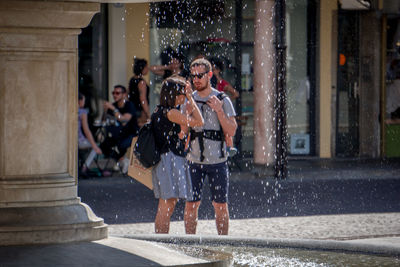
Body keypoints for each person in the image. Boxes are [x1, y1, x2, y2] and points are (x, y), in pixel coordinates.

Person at [184, 58, 237, 235]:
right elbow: (183, 131)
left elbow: (231, 129)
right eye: (193, 76)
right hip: (193, 161)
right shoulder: (189, 100)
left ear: (209, 75)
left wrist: (219, 110)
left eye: (200, 75)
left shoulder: (222, 99)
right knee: (191, 204)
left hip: (218, 162)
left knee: (220, 205)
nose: (196, 79)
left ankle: (224, 243)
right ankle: (189, 244)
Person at [151, 75, 204, 233]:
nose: (184, 96)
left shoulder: (161, 111)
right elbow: (200, 122)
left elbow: (179, 134)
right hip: (169, 160)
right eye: (183, 93)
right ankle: (161, 241)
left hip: (166, 159)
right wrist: (191, 98)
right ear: (174, 94)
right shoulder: (171, 112)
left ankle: (161, 239)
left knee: (168, 202)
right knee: (167, 203)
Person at [101, 85, 138, 174]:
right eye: (113, 93)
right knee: (104, 145)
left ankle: (122, 161)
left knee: (121, 145)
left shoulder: (129, 105)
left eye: (117, 93)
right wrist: (105, 111)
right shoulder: (113, 106)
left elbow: (124, 119)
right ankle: (122, 160)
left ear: (124, 94)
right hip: (117, 134)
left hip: (131, 133)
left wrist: (113, 109)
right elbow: (104, 121)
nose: (115, 95)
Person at [209, 57, 239, 156]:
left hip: (220, 108)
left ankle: (230, 146)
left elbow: (236, 94)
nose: (213, 71)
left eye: (214, 69)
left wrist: (226, 100)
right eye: (212, 69)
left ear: (219, 70)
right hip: (211, 107)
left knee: (226, 127)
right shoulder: (210, 82)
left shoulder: (222, 83)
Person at [78, 92, 102, 174]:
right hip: (80, 141)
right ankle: (85, 167)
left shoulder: (71, 111)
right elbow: (86, 130)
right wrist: (95, 146)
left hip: (70, 142)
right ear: (80, 101)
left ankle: (81, 165)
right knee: (94, 147)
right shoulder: (82, 112)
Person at [128, 58, 150, 127]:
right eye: (146, 67)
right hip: (140, 111)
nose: (147, 69)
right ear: (142, 68)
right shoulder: (141, 82)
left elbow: (128, 93)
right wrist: (148, 113)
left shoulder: (132, 79)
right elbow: (143, 99)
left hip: (133, 108)